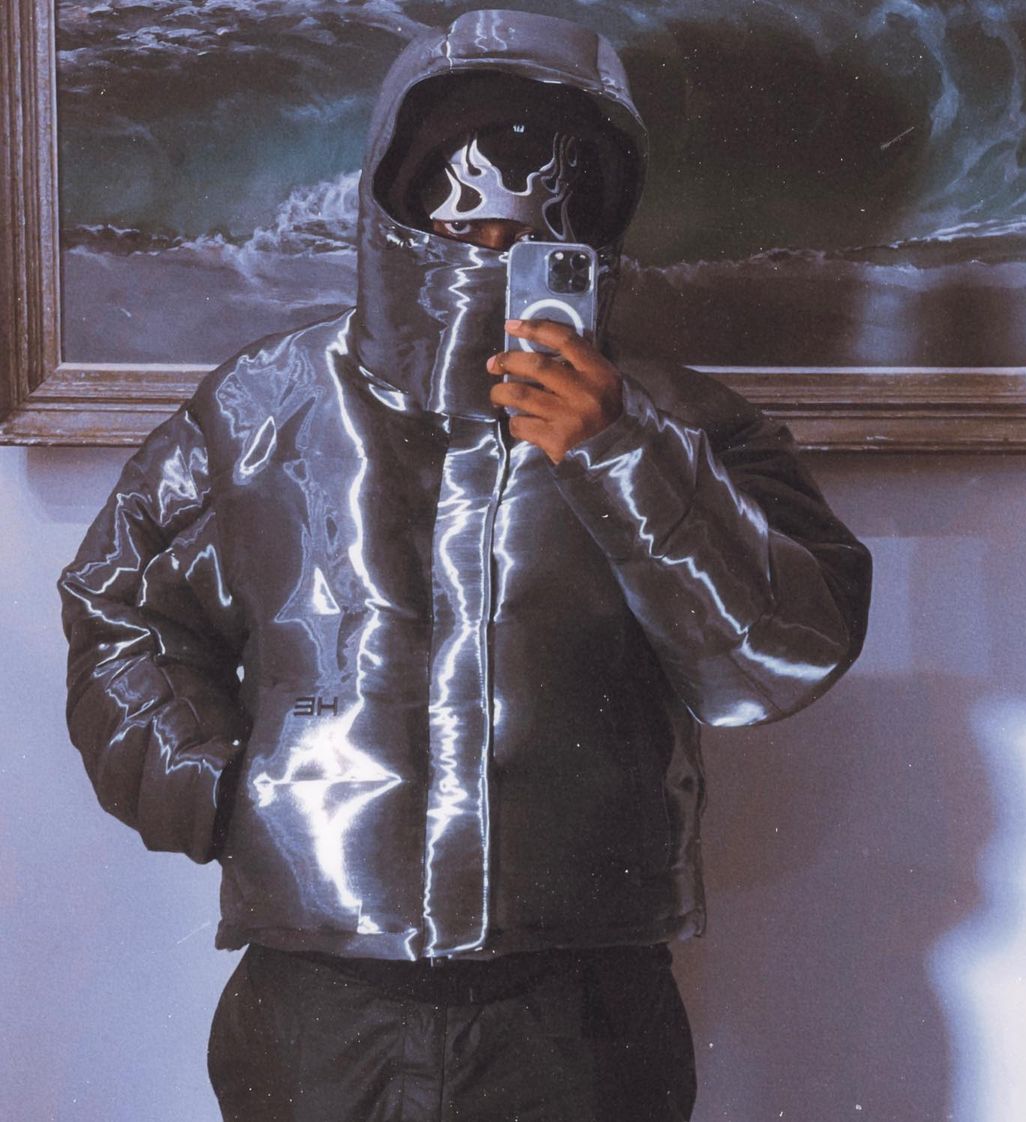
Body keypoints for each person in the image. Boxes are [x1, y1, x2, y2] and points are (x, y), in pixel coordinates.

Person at [58, 10, 872, 1121]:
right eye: (461, 212)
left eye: (537, 224)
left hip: (580, 1000)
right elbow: (117, 605)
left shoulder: (684, 425)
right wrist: (219, 792)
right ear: (395, 196)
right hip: (319, 993)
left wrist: (619, 451)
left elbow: (784, 659)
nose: (491, 250)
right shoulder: (259, 411)